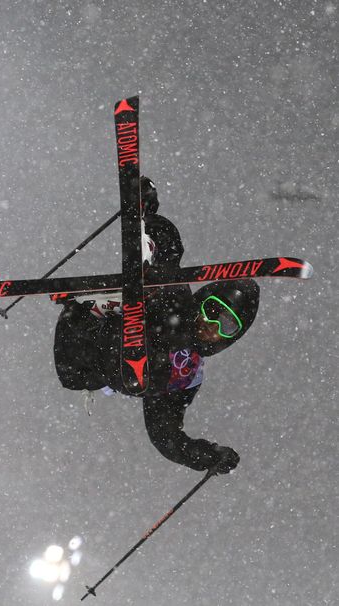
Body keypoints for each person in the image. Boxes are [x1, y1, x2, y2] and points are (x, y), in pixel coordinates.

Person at [53, 177, 260, 474]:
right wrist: (145, 212)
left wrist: (205, 456)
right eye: (213, 310)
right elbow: (169, 248)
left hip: (78, 367)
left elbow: (166, 437)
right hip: (86, 328)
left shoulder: (188, 376)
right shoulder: (176, 297)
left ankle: (135, 355)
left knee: (163, 368)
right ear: (202, 300)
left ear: (231, 338)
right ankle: (140, 251)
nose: (212, 324)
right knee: (170, 270)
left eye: (227, 325)